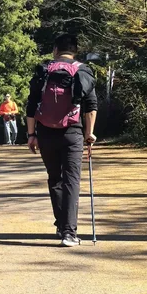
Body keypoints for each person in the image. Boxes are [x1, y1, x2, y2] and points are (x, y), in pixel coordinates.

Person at [26, 34, 98, 248]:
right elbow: (91, 105)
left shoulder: (43, 71)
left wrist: (31, 135)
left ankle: (61, 225)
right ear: (75, 50)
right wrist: (90, 133)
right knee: (71, 181)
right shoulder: (83, 71)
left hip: (46, 132)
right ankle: (69, 232)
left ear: (55, 49)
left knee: (54, 178)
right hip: (72, 133)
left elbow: (32, 104)